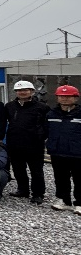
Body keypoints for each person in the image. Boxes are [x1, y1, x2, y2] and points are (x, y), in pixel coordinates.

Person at [5, 80, 49, 205]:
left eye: (25, 90)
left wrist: (41, 136)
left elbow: (47, 125)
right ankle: (23, 189)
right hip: (15, 143)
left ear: (32, 91)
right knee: (18, 169)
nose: (22, 92)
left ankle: (38, 194)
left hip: (34, 144)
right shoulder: (10, 106)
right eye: (19, 90)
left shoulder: (42, 107)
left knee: (36, 170)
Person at [46, 85, 81, 214]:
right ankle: (64, 200)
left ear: (76, 98)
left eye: (68, 96)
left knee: (79, 178)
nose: (64, 99)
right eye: (61, 96)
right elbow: (45, 130)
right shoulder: (51, 114)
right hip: (57, 151)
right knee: (60, 177)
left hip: (78, 153)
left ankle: (79, 203)